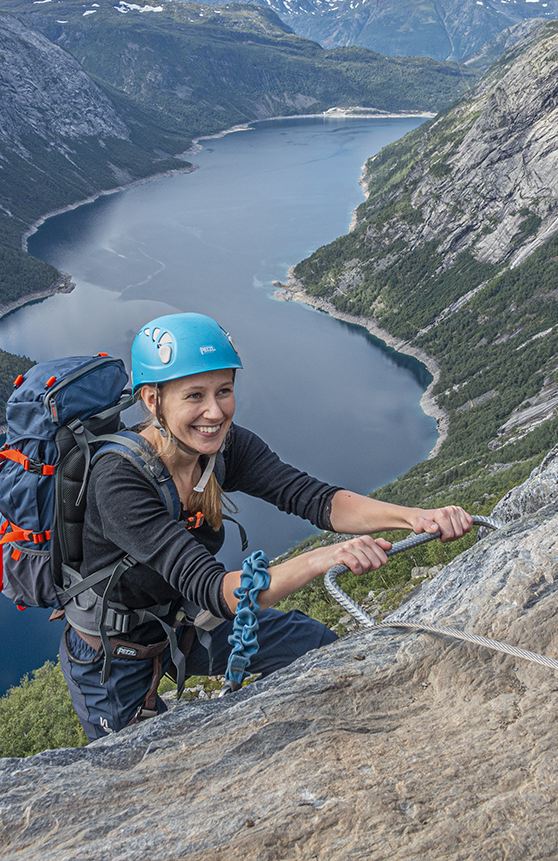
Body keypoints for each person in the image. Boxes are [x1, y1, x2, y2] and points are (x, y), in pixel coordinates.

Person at [59, 311, 471, 740]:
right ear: (152, 400)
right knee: (134, 773)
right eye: (194, 396)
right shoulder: (119, 479)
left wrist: (413, 518)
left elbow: (315, 499)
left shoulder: (221, 448)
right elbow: (215, 591)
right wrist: (323, 557)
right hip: (112, 654)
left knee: (311, 644)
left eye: (224, 391)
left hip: (180, 621)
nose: (214, 412)